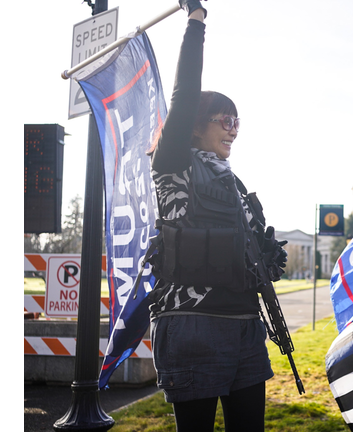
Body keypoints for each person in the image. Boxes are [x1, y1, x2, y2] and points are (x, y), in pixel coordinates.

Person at [144, 1, 283, 430]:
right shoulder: (174, 164)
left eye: (237, 122)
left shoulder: (235, 185)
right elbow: (185, 92)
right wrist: (196, 20)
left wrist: (266, 256)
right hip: (193, 326)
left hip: (245, 327)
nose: (233, 129)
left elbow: (248, 254)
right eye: (224, 119)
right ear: (194, 124)